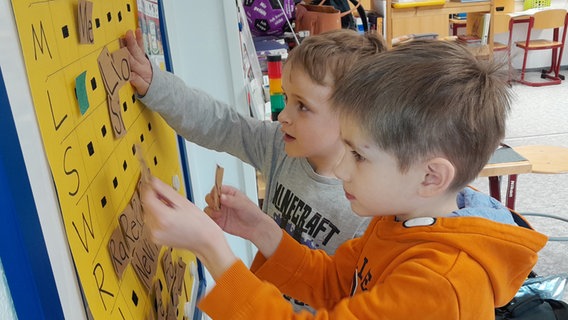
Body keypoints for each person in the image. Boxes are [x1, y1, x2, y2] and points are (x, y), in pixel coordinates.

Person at [140, 39, 548, 319]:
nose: (340, 169)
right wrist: (265, 232)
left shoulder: (440, 284)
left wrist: (213, 251)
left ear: (430, 176)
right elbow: (338, 280)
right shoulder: (400, 216)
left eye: (358, 156)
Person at [125, 28, 386, 310]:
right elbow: (221, 124)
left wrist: (207, 243)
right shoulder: (280, 145)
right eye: (287, 99)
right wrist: (155, 84)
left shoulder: (367, 212)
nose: (284, 116)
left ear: (351, 119)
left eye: (303, 107)